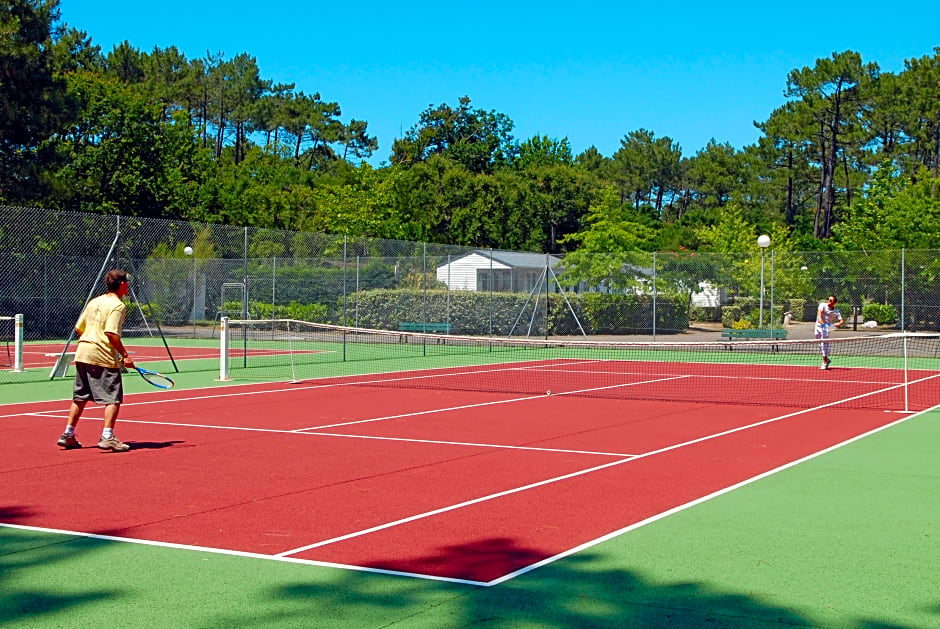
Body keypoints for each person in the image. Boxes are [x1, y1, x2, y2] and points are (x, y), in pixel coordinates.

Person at [56, 269, 135, 451]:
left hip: (83, 353)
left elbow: (79, 328)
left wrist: (93, 339)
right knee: (113, 399)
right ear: (122, 285)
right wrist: (125, 355)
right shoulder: (118, 306)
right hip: (102, 356)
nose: (128, 286)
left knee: (80, 397)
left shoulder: (94, 301)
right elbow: (111, 333)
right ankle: (107, 436)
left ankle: (68, 434)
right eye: (127, 283)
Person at [815, 295, 845, 370]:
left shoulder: (836, 311)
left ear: (834, 303)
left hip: (825, 329)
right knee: (819, 343)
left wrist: (838, 324)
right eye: (828, 299)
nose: (829, 301)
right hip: (817, 327)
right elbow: (819, 313)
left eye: (831, 300)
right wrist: (821, 321)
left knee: (824, 344)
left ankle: (824, 362)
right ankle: (827, 359)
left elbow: (841, 321)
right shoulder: (822, 305)